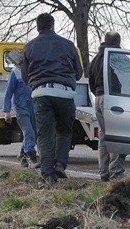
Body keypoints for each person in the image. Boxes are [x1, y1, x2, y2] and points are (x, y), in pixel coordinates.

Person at [21, 13, 83, 187]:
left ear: (37, 27)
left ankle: (48, 176)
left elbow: (25, 77)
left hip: (41, 94)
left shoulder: (29, 47)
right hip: (64, 93)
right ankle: (60, 164)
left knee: (45, 134)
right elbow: (78, 73)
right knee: (64, 130)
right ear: (53, 25)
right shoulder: (69, 45)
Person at [88, 31, 127, 182]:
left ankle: (103, 172)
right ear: (118, 42)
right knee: (118, 134)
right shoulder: (117, 58)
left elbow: (91, 81)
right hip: (114, 99)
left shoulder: (96, 59)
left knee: (104, 136)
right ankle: (116, 172)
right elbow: (126, 80)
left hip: (98, 98)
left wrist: (98, 94)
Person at [3, 49, 39, 167]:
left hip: (33, 107)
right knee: (29, 131)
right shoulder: (15, 72)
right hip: (21, 107)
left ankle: (22, 154)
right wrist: (6, 111)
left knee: (34, 132)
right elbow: (8, 93)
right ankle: (32, 156)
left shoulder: (34, 72)